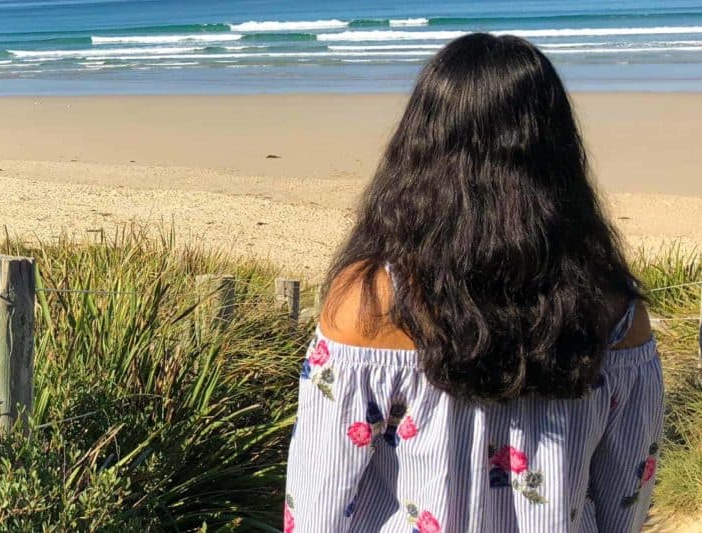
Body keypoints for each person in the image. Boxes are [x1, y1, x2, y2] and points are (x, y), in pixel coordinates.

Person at [283, 33, 662, 532]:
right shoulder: (611, 308)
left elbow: (320, 499)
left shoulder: (370, 301)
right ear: (558, 152)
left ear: (419, 145)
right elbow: (626, 500)